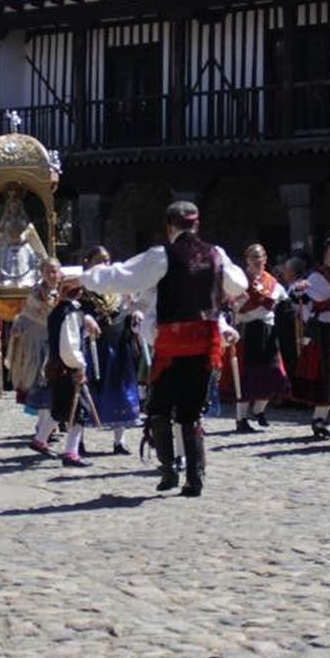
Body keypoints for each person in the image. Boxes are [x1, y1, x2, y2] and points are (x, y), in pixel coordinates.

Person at [76, 201, 247, 497]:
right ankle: (194, 477)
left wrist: (83, 277)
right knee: (191, 412)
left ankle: (169, 469)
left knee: (158, 409)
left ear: (169, 227)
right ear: (197, 224)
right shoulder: (216, 254)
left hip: (173, 345)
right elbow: (238, 284)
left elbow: (122, 276)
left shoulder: (162, 255)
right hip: (206, 344)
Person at [223, 243, 290, 431]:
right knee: (247, 377)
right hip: (248, 330)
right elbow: (234, 304)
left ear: (266, 259)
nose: (258, 261)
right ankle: (241, 418)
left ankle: (259, 410)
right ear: (247, 260)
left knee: (274, 374)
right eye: (253, 257)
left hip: (268, 330)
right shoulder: (240, 281)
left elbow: (283, 298)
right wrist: (252, 302)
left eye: (260, 257)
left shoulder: (272, 281)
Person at [291, 237, 330, 438]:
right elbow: (302, 297)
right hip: (324, 331)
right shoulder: (318, 276)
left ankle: (325, 417)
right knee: (324, 373)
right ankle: (318, 419)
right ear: (325, 254)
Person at [83, 247, 142, 454]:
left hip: (118, 344)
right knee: (89, 390)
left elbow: (132, 309)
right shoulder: (82, 288)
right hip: (92, 345)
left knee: (121, 391)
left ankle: (120, 440)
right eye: (98, 260)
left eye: (107, 260)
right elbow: (70, 313)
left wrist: (135, 316)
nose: (104, 265)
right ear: (89, 262)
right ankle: (77, 439)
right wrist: (85, 319)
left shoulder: (121, 288)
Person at [12, 260, 62, 453]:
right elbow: (26, 315)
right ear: (42, 273)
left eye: (54, 271)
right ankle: (43, 429)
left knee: (57, 387)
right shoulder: (35, 294)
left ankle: (50, 426)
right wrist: (19, 327)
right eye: (48, 271)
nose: (52, 275)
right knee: (42, 386)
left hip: (60, 344)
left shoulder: (66, 291)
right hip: (39, 346)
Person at [46, 277, 97, 468]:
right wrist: (79, 365)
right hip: (68, 368)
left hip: (60, 367)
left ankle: (43, 440)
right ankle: (71, 452)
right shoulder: (69, 313)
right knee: (79, 411)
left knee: (64, 408)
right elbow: (69, 345)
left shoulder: (60, 311)